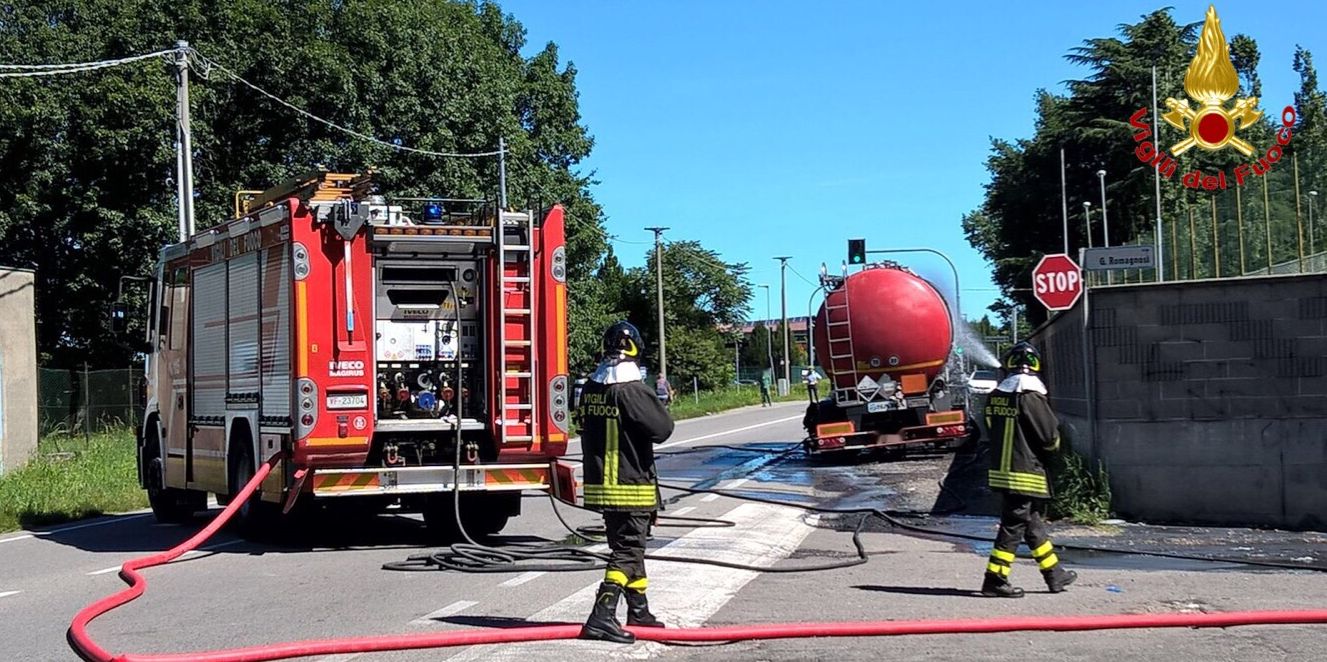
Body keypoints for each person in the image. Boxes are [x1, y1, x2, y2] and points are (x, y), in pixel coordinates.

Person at [578, 320, 675, 642]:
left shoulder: (591, 387)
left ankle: (639, 611)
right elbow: (663, 430)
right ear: (635, 349)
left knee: (628, 547)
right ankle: (601, 615)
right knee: (629, 550)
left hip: (603, 486)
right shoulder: (632, 389)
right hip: (630, 483)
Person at [980, 341, 1077, 598]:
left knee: (1031, 523)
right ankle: (995, 579)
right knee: (1013, 525)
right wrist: (1056, 449)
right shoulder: (1031, 397)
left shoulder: (995, 397)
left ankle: (1054, 574)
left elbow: (990, 428)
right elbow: (1049, 438)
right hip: (1025, 474)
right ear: (1035, 366)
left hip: (1002, 471)